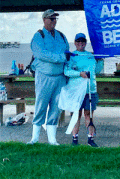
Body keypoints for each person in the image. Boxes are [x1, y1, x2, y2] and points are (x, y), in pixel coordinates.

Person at [28, 9, 69, 145]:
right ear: (44, 20)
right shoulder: (38, 36)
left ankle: (52, 139)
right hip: (44, 77)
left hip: (60, 77)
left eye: (55, 19)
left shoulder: (62, 36)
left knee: (56, 108)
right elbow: (41, 54)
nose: (54, 21)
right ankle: (34, 138)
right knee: (41, 106)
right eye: (51, 19)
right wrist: (61, 58)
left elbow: (68, 54)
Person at [64, 33, 103, 147]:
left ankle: (90, 139)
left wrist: (100, 60)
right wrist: (79, 74)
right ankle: (74, 138)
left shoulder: (90, 56)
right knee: (75, 114)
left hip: (90, 90)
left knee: (88, 114)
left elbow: (97, 70)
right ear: (75, 43)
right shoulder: (71, 56)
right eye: (78, 41)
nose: (80, 43)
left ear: (85, 43)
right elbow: (67, 71)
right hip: (76, 90)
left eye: (83, 42)